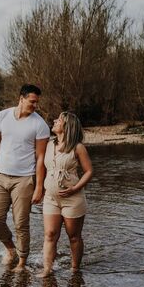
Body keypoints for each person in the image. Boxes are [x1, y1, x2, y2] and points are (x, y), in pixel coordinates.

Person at [0, 84, 50, 272]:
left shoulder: (40, 125)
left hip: (24, 180)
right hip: (1, 177)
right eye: (32, 101)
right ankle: (10, 249)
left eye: (37, 102)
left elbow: (41, 158)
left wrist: (39, 187)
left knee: (21, 223)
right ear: (21, 98)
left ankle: (22, 261)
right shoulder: (3, 116)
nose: (35, 105)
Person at [38, 111, 93, 277]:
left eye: (59, 120)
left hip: (73, 199)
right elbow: (40, 167)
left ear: (67, 126)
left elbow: (89, 171)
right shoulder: (48, 145)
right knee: (50, 234)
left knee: (74, 237)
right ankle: (47, 269)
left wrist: (75, 189)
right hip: (51, 198)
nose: (55, 121)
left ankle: (75, 269)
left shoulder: (78, 147)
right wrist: (38, 189)